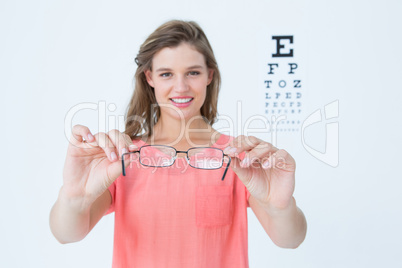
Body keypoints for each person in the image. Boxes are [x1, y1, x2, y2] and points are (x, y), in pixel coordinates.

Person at [50, 20, 307, 267]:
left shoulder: (238, 158)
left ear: (209, 75)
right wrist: (74, 198)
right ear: (150, 78)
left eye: (193, 72)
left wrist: (280, 206)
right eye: (166, 74)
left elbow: (290, 239)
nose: (181, 87)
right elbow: (66, 234)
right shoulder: (122, 158)